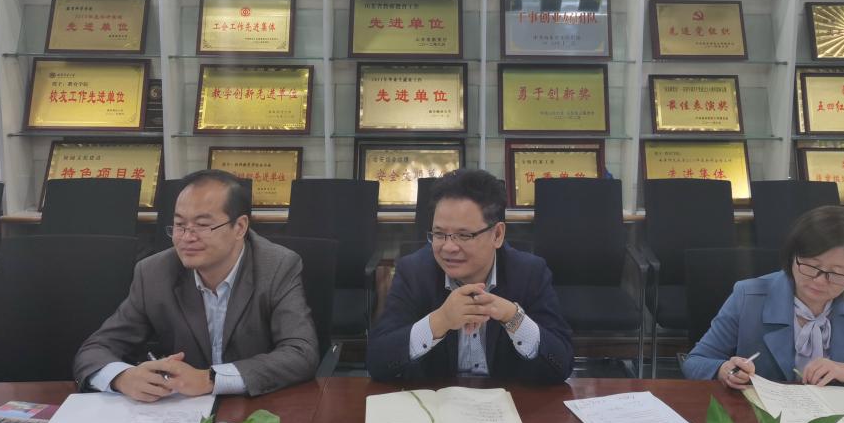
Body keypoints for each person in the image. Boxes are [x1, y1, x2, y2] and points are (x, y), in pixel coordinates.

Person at [74, 169, 318, 401]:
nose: (187, 237)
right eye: (180, 225)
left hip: (256, 407)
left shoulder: (277, 267)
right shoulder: (153, 273)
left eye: (202, 225)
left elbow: (301, 353)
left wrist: (211, 379)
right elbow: (95, 350)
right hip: (180, 413)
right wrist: (122, 377)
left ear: (240, 227)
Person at [682, 205, 844, 392]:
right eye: (811, 266)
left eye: (837, 273)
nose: (819, 281)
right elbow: (696, 362)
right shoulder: (749, 296)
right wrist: (725, 370)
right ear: (793, 256)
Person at [367, 168, 573, 383]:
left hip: (507, 400)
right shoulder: (414, 272)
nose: (448, 247)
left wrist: (513, 318)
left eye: (464, 235)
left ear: (497, 235)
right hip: (438, 400)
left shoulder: (529, 273)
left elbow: (562, 363)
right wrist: (439, 321)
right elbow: (377, 361)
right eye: (439, 234)